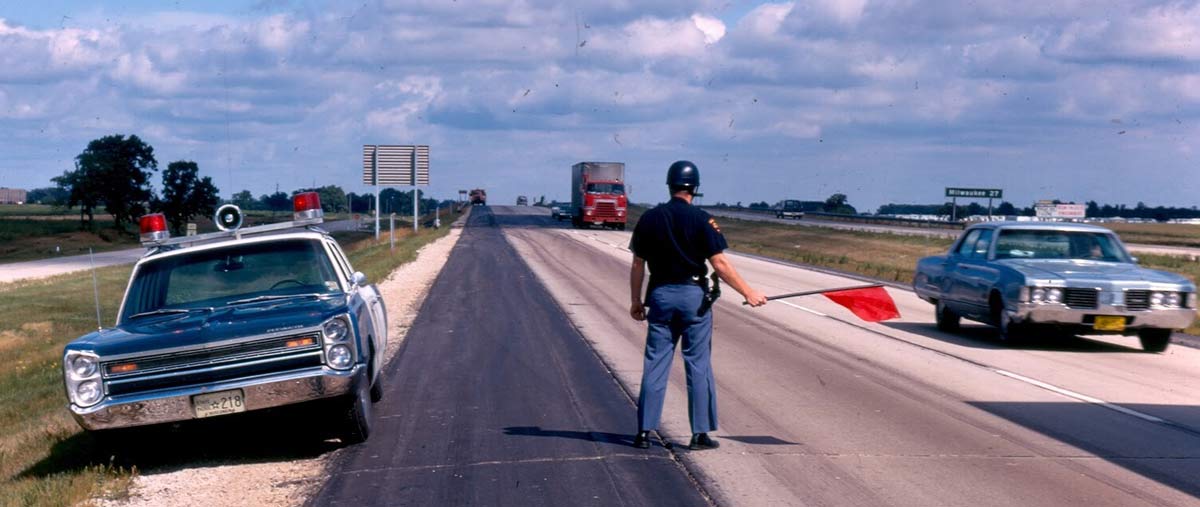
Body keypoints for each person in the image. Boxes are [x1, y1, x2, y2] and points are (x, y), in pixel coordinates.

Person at [628, 160, 768, 451]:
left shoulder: (649, 218)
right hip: (693, 299)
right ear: (695, 188)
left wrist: (636, 301)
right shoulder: (702, 219)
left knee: (655, 364)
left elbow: (638, 264)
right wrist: (748, 291)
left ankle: (644, 431)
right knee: (698, 364)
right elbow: (720, 263)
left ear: (670, 185)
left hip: (661, 296)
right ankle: (699, 434)